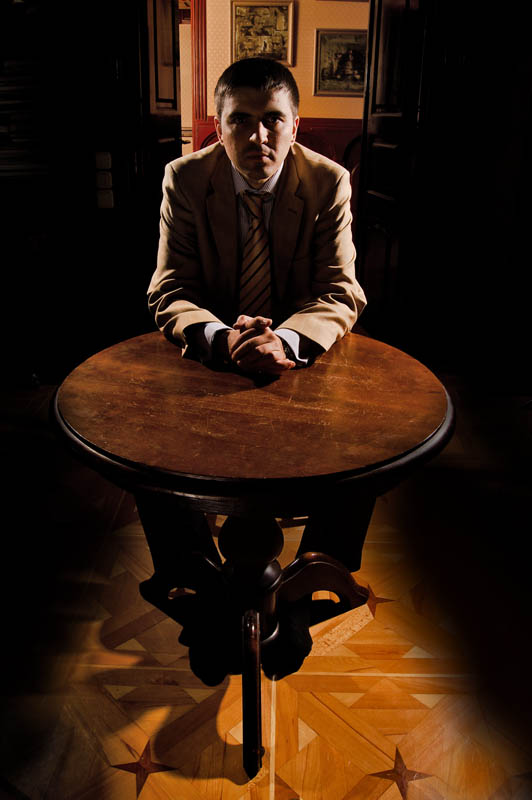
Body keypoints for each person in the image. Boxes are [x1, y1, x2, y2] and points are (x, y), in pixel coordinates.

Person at [140, 58, 372, 677]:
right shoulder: (185, 179)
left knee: (365, 443)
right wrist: (223, 338)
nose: (258, 136)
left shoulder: (328, 182)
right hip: (210, 363)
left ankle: (306, 595)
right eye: (240, 120)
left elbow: (340, 291)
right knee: (145, 444)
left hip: (299, 365)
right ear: (218, 127)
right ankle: (196, 593)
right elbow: (169, 289)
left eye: (272, 119)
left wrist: (286, 342)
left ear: (296, 125)